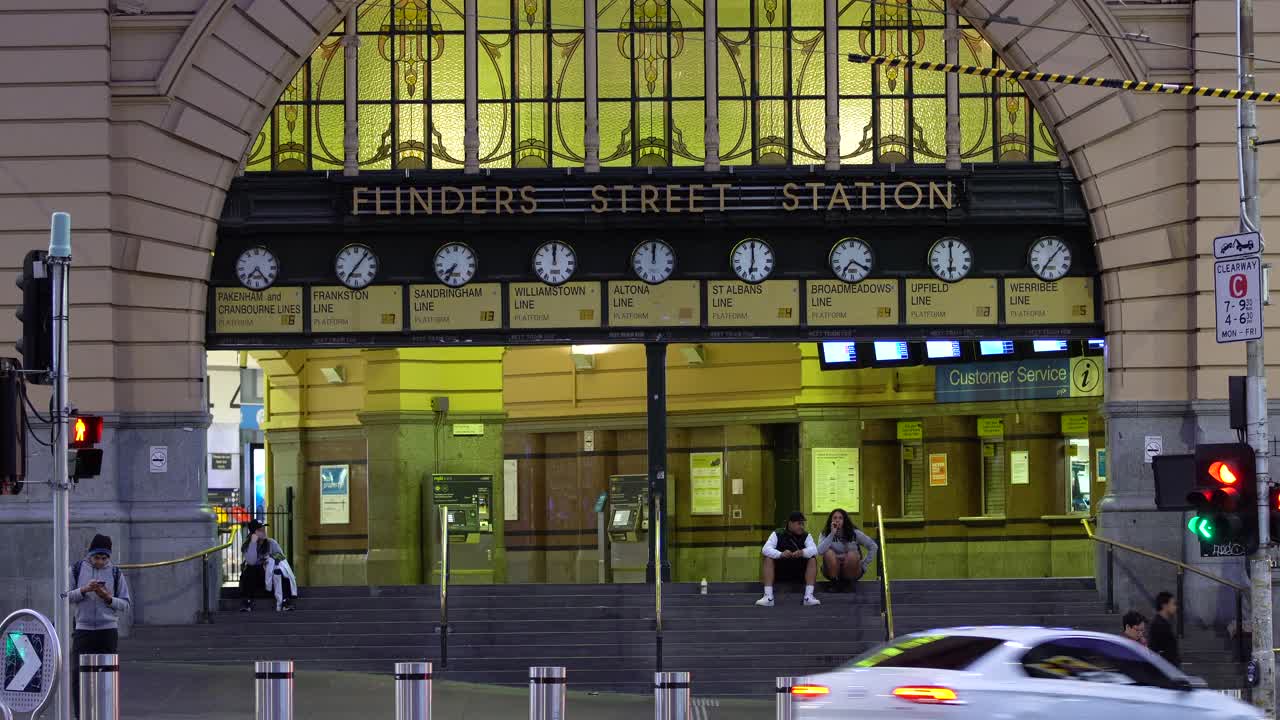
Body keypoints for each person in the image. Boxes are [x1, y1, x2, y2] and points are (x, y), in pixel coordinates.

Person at [68, 534, 131, 718]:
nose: (100, 562)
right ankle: (81, 715)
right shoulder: (77, 570)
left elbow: (126, 605)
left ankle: (106, 713)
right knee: (78, 676)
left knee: (106, 676)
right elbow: (64, 596)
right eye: (97, 557)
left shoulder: (116, 573)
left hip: (107, 630)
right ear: (90, 555)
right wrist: (84, 590)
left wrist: (108, 598)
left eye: (104, 558)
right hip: (83, 630)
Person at [756, 511, 821, 607]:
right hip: (780, 572)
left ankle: (808, 597)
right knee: (768, 559)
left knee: (812, 559)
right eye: (799, 524)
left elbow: (815, 550)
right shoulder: (777, 533)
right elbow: (765, 549)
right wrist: (780, 554)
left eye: (803, 524)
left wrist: (802, 552)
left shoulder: (806, 536)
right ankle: (768, 597)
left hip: (800, 573)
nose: (802, 527)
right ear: (790, 523)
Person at [815, 508, 878, 593]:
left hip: (852, 570)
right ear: (831, 520)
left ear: (845, 520)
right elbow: (819, 551)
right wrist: (832, 534)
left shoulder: (854, 533)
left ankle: (848, 584)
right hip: (832, 570)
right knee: (828, 553)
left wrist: (864, 564)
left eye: (840, 518)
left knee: (852, 554)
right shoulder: (825, 533)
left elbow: (873, 546)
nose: (837, 520)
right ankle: (834, 583)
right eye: (835, 518)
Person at [240, 520, 291, 612]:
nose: (264, 531)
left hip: (271, 577)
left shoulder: (271, 543)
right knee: (250, 570)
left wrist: (270, 559)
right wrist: (253, 543)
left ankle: (285, 602)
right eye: (260, 529)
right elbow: (251, 561)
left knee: (281, 571)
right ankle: (246, 602)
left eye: (264, 528)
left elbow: (281, 557)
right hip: (256, 579)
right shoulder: (247, 545)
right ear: (253, 533)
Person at [1147, 591, 1180, 667]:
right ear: (1165, 606)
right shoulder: (1159, 625)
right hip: (1165, 671)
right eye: (1173, 604)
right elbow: (1155, 650)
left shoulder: (1163, 623)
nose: (1176, 607)